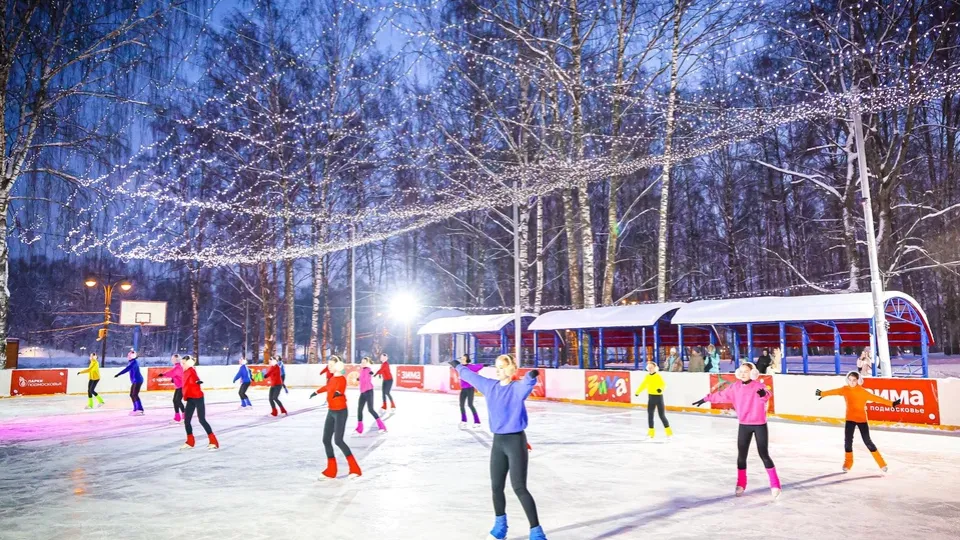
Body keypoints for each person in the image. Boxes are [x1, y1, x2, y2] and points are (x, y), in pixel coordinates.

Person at [449, 354, 547, 540]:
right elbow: (472, 377)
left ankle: (537, 532)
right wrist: (458, 367)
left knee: (519, 487)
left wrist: (531, 376)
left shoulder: (516, 388)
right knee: (496, 487)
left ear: (510, 369)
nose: (498, 371)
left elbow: (526, 384)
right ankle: (500, 528)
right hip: (498, 442)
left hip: (515, 441)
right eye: (496, 367)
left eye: (502, 367)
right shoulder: (490, 386)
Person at [693, 362, 781, 498]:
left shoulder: (758, 386)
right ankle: (741, 483)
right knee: (741, 456)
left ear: (753, 373)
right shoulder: (735, 387)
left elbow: (767, 395)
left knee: (764, 454)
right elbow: (720, 395)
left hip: (759, 425)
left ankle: (775, 484)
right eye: (742, 371)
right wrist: (705, 399)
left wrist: (764, 394)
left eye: (747, 371)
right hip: (744, 425)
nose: (743, 374)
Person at [816, 371, 902, 472]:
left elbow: (877, 399)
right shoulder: (844, 389)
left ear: (858, 381)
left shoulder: (863, 392)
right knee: (848, 441)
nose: (852, 382)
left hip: (862, 420)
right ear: (847, 380)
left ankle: (882, 463)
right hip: (850, 419)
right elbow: (834, 391)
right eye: (850, 380)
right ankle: (848, 463)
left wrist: (891, 403)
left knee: (867, 441)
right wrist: (823, 393)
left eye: (854, 380)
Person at [310, 356, 362, 479]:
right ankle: (331, 470)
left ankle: (355, 469)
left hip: (340, 412)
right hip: (331, 411)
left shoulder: (341, 379)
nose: (328, 367)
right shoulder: (332, 378)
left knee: (338, 441)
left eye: (331, 365)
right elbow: (328, 387)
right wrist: (316, 392)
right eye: (328, 365)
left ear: (338, 366)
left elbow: (340, 389)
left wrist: (337, 393)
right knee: (326, 440)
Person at [179, 355, 219, 451]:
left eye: (184, 363)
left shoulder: (191, 370)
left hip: (198, 398)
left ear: (188, 363)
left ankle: (214, 442)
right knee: (186, 421)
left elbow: (195, 377)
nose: (182, 365)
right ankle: (190, 442)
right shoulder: (185, 372)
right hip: (190, 398)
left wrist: (197, 381)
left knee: (202, 420)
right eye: (182, 363)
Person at [634, 362, 672, 440]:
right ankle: (651, 432)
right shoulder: (647, 376)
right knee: (650, 415)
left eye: (652, 367)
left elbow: (663, 384)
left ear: (655, 368)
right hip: (651, 397)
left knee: (661, 415)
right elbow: (643, 385)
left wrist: (660, 389)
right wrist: (638, 392)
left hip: (658, 398)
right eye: (649, 367)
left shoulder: (658, 376)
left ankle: (668, 432)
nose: (650, 369)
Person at [355, 356, 386, 436]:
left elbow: (370, 373)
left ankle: (381, 425)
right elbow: (362, 378)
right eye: (362, 362)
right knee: (359, 409)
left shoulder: (368, 370)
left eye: (364, 362)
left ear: (367, 363)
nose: (362, 363)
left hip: (369, 392)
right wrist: (358, 378)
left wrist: (371, 373)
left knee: (371, 409)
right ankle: (360, 427)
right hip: (362, 392)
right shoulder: (361, 370)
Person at [115, 349, 145, 415]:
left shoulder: (133, 363)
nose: (127, 356)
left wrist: (119, 374)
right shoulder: (131, 362)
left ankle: (140, 409)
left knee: (135, 394)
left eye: (129, 355)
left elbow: (127, 369)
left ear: (132, 356)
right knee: (132, 394)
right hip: (135, 380)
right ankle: (136, 408)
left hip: (138, 380)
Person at [458, 354, 483, 428]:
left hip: (470, 389)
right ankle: (464, 421)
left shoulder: (471, 367)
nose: (462, 360)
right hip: (463, 389)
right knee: (461, 405)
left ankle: (477, 421)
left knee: (470, 405)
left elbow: (479, 366)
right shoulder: (460, 367)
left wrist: (484, 364)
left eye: (463, 359)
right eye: (461, 359)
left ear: (467, 359)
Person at [162, 354, 184, 422]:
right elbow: (175, 374)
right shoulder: (178, 366)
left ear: (175, 360)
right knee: (175, 400)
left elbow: (171, 373)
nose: (172, 360)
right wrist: (173, 379)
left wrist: (163, 374)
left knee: (177, 400)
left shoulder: (177, 367)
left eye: (173, 359)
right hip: (179, 386)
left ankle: (184, 415)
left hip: (182, 386)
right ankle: (177, 416)